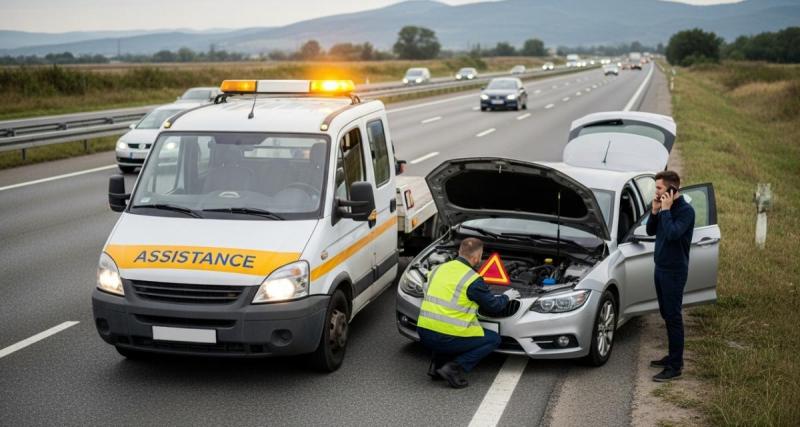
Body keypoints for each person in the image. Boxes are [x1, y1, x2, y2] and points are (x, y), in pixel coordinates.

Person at [416, 237, 520, 388]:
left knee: (443, 329)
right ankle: (453, 368)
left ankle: (436, 367)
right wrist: (507, 297)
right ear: (476, 257)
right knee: (493, 339)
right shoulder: (472, 279)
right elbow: (494, 307)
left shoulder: (437, 269)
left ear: (460, 251)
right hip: (446, 337)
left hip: (423, 332)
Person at [646, 170, 695, 382]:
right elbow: (650, 231)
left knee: (674, 317)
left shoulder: (686, 211)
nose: (655, 192)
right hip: (660, 268)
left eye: (659, 188)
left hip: (674, 272)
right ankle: (673, 357)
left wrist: (665, 211)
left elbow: (674, 234)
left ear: (671, 189)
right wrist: (655, 212)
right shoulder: (664, 208)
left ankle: (675, 366)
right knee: (666, 314)